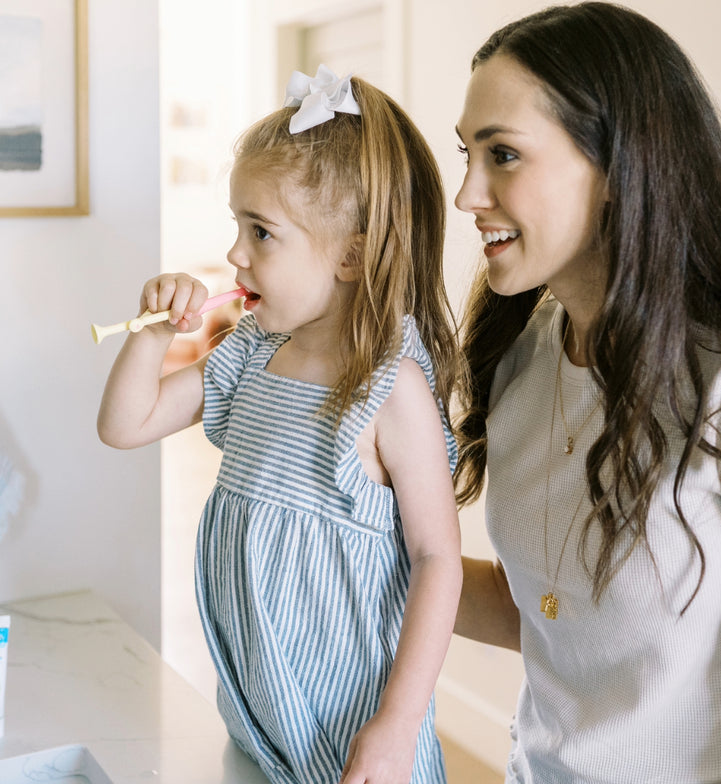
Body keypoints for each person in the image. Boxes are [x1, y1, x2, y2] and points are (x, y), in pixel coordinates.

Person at [452, 1, 721, 784]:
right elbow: (545, 614)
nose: (467, 195)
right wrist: (358, 550)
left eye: (502, 154)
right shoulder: (521, 358)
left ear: (616, 170)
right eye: (466, 154)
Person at [97, 65, 462, 784]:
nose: (236, 253)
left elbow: (437, 560)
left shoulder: (392, 389)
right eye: (238, 225)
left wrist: (398, 724)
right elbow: (126, 424)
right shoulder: (251, 355)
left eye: (260, 232)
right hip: (261, 719)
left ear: (353, 255)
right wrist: (151, 331)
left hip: (357, 731)